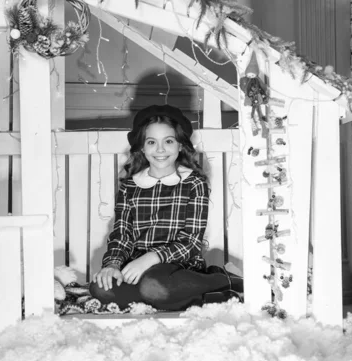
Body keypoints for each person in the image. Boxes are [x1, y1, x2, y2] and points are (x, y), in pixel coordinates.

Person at [89, 105, 242, 311]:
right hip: (137, 267)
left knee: (154, 285)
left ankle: (223, 280)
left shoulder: (193, 183)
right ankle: (189, 298)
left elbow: (190, 242)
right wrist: (113, 265)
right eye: (151, 142)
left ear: (180, 146)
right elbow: (121, 235)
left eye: (168, 141)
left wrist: (151, 258)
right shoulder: (130, 186)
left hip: (178, 265)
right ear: (142, 147)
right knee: (100, 289)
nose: (160, 150)